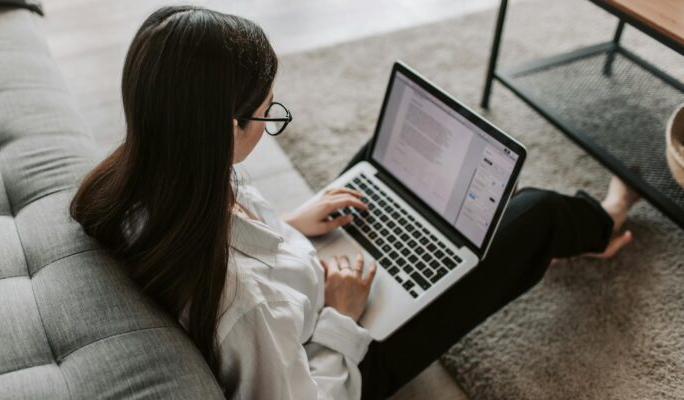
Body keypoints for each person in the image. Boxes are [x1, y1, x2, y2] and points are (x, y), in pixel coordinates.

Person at [69, 6, 639, 399]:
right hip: (347, 356)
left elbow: (229, 245)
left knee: (380, 166)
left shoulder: (147, 178)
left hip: (301, 280)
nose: (271, 121)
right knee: (535, 214)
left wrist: (290, 226)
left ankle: (471, 206)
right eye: (267, 115)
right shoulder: (244, 307)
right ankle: (603, 223)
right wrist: (342, 314)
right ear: (224, 128)